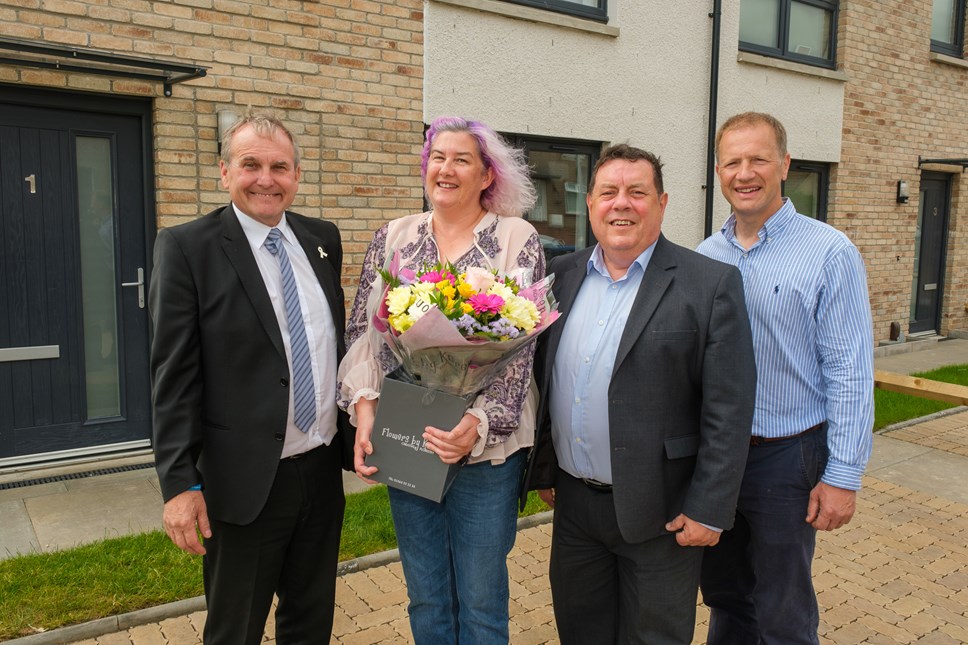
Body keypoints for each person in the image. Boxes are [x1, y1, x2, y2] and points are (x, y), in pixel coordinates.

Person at [523, 144, 757, 644]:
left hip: (664, 513)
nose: (621, 204)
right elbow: (543, 381)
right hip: (575, 509)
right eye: (608, 192)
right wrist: (547, 465)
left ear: (663, 203)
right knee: (581, 633)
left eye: (637, 192)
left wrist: (709, 508)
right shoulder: (559, 278)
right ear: (589, 203)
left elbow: (729, 409)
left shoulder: (709, 284)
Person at [337, 116, 542, 644]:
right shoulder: (395, 237)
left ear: (486, 175)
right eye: (437, 157)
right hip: (409, 439)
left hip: (483, 453)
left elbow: (520, 353)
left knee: (481, 603)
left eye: (462, 159)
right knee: (426, 597)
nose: (445, 169)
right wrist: (366, 414)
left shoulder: (515, 237)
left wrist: (475, 424)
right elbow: (365, 332)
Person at [149, 112, 350, 644]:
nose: (266, 178)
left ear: (297, 175)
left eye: (279, 167)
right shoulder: (187, 248)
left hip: (321, 471)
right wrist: (179, 484)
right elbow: (173, 378)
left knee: (311, 623)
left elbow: (335, 347)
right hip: (243, 485)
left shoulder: (322, 239)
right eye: (250, 165)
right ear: (224, 171)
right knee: (234, 630)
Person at [697, 112, 874, 644]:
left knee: (782, 606)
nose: (744, 172)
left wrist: (843, 474)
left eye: (758, 159)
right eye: (733, 161)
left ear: (785, 165)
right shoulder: (707, 256)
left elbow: (850, 370)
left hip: (787, 457)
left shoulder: (829, 252)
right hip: (720, 459)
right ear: (719, 169)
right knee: (726, 595)